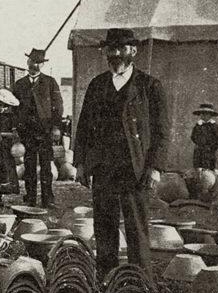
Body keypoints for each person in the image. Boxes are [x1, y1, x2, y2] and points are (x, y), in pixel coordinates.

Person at [73, 28, 170, 279]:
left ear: (133, 51)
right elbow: (83, 127)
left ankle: (140, 284)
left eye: (122, 48)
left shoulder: (149, 86)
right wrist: (81, 164)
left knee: (137, 227)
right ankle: (106, 280)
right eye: (111, 49)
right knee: (104, 226)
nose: (115, 54)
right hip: (103, 167)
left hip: (134, 168)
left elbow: (161, 132)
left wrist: (155, 168)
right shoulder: (97, 85)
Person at [11, 47, 63, 208]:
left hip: (45, 131)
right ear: (28, 62)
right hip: (27, 132)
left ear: (43, 65)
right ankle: (31, 197)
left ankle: (48, 198)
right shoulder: (19, 84)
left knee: (46, 166)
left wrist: (56, 127)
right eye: (34, 61)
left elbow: (58, 105)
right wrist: (16, 128)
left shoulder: (50, 82)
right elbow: (13, 107)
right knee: (29, 166)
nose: (36, 65)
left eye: (40, 63)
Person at [0, 87, 21, 198]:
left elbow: (14, 132)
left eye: (5, 106)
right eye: (0, 105)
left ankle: (1, 194)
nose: (2, 109)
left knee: (6, 170)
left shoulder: (9, 117)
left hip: (6, 147)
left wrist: (13, 134)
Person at [190, 102, 218, 170]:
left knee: (208, 169)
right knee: (198, 168)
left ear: (210, 115)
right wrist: (199, 144)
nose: (203, 116)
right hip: (198, 152)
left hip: (209, 152)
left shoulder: (214, 126)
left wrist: (212, 147)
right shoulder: (198, 125)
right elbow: (193, 136)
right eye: (202, 114)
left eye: (206, 114)